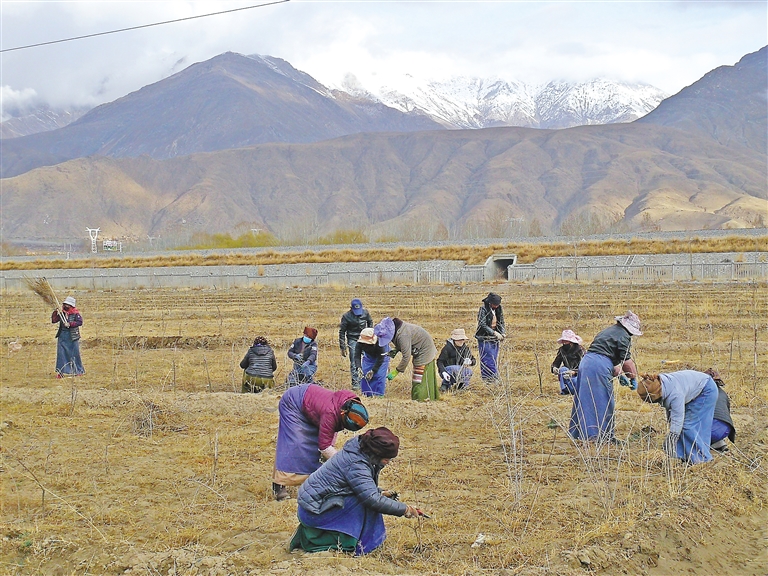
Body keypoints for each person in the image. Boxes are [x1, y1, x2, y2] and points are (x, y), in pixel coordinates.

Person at [290, 427, 426, 555]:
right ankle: (324, 540)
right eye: (386, 459)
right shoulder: (356, 464)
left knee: (367, 498)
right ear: (376, 453)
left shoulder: (359, 452)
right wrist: (405, 509)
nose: (388, 462)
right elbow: (372, 499)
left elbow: (356, 487)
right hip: (313, 513)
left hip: (318, 505)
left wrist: (379, 492)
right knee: (366, 503)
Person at [273, 383, 369, 501]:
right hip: (293, 403)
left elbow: (326, 442)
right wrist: (344, 464)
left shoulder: (349, 405)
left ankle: (312, 484)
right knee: (295, 444)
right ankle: (279, 485)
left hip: (312, 409)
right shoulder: (331, 413)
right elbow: (325, 447)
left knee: (316, 450)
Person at [569, 311, 642, 444]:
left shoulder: (608, 331)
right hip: (598, 366)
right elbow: (626, 362)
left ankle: (580, 433)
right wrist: (632, 377)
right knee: (602, 401)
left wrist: (619, 375)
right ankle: (600, 437)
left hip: (587, 363)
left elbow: (604, 355)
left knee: (585, 398)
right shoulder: (624, 336)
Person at [637, 370, 718, 464]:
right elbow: (671, 414)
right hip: (698, 388)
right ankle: (683, 456)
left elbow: (678, 420)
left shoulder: (675, 394)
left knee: (686, 425)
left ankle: (703, 460)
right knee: (683, 427)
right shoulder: (660, 383)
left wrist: (671, 439)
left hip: (706, 391)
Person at [380, 317, 439, 402]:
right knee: (418, 379)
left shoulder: (403, 335)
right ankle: (419, 399)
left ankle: (422, 400)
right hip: (419, 350)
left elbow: (406, 357)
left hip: (425, 352)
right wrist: (395, 350)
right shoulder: (398, 330)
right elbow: (404, 343)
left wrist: (397, 370)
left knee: (420, 379)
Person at [339, 299, 374, 390]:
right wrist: (343, 347)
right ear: (351, 308)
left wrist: (370, 334)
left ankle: (367, 381)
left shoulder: (365, 313)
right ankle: (356, 383)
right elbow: (342, 332)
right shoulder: (346, 316)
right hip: (352, 339)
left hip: (364, 338)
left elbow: (370, 322)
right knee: (354, 361)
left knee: (367, 359)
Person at [475, 292, 506, 382]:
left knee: (493, 358)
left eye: (498, 305)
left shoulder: (499, 308)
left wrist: (502, 332)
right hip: (484, 337)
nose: (496, 306)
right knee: (487, 359)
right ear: (490, 303)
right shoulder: (483, 309)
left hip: (494, 338)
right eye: (495, 305)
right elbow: (482, 324)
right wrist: (494, 333)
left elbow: (501, 321)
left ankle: (491, 378)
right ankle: (490, 378)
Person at [51, 296, 85, 377]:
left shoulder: (75, 313)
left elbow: (80, 322)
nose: (66, 306)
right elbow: (54, 320)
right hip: (62, 336)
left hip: (72, 336)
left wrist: (70, 324)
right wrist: (55, 312)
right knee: (61, 354)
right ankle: (61, 372)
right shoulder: (62, 313)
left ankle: (78, 371)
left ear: (71, 306)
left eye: (68, 305)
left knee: (74, 354)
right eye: (65, 304)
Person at [704, 368, 736, 452]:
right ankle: (718, 442)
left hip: (710, 430)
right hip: (726, 430)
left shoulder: (702, 392)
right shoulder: (723, 394)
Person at [437, 328, 476, 392]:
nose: (461, 341)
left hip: (459, 371)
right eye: (459, 339)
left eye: (462, 339)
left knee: (469, 372)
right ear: (454, 339)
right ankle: (445, 384)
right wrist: (443, 372)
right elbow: (440, 361)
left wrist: (471, 362)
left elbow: (473, 360)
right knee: (455, 368)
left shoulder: (465, 349)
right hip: (447, 371)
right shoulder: (447, 348)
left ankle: (461, 386)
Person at [354, 327, 390, 397]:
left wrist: (373, 370)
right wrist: (358, 367)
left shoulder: (380, 342)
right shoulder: (359, 343)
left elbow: (381, 358)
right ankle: (367, 394)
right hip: (368, 358)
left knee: (379, 375)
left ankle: (379, 395)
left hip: (381, 357)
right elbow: (357, 356)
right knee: (365, 375)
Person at [551, 329, 585, 395]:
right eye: (563, 341)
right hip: (566, 374)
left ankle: (576, 389)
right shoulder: (562, 350)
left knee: (576, 382)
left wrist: (574, 372)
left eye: (566, 341)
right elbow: (556, 363)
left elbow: (585, 367)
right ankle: (565, 390)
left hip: (578, 376)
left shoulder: (580, 350)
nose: (564, 343)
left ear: (571, 342)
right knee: (563, 369)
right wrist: (554, 368)